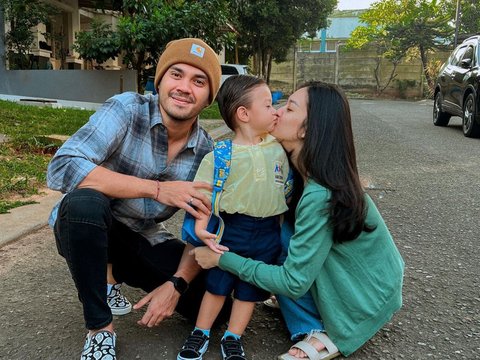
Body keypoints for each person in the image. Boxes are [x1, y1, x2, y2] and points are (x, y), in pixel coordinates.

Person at [191, 82, 405, 359]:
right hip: (365, 275)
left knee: (284, 258)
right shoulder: (294, 167)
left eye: (289, 107)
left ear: (306, 130)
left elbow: (293, 281)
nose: (277, 112)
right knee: (278, 234)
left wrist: (220, 260)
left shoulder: (321, 194)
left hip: (367, 294)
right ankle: (309, 308)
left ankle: (318, 330)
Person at [47, 38, 230, 360]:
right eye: (176, 74)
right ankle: (100, 328)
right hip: (87, 225)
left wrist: (175, 284)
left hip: (140, 235)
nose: (184, 87)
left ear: (208, 98)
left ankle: (113, 274)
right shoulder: (127, 109)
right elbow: (63, 166)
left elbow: (201, 229)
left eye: (198, 81)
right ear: (159, 81)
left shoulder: (207, 153)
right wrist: (157, 189)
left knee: (215, 306)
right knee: (83, 204)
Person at [177, 75, 290, 360]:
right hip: (231, 230)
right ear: (244, 114)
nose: (275, 111)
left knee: (248, 291)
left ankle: (233, 337)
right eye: (268, 105)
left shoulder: (278, 147)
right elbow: (202, 197)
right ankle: (201, 332)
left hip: (268, 232)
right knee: (217, 286)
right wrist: (202, 228)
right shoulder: (221, 155)